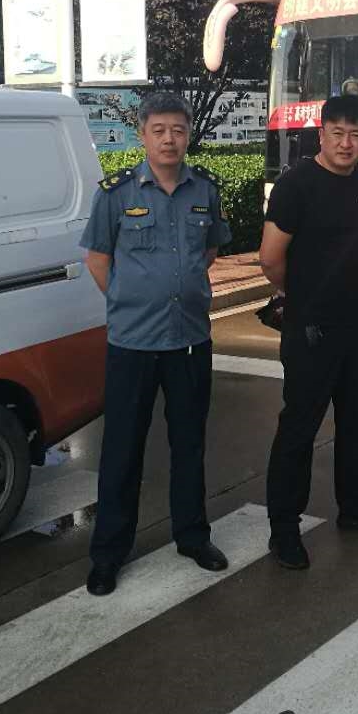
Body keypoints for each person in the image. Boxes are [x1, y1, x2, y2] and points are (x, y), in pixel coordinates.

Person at [80, 93, 232, 596]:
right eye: (159, 130)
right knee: (122, 449)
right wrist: (131, 300)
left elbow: (209, 249)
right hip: (133, 343)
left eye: (178, 130)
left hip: (189, 339)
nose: (170, 139)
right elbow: (98, 260)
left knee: (189, 444)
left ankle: (193, 537)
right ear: (142, 135)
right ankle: (108, 554)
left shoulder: (204, 189)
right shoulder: (116, 193)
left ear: (188, 135)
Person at [258, 93, 358, 570]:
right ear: (321, 134)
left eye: (356, 135)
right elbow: (270, 258)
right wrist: (302, 297)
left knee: (355, 423)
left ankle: (354, 506)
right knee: (299, 428)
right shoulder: (296, 185)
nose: (346, 143)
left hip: (357, 324)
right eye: (337, 133)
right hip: (311, 329)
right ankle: (284, 529)